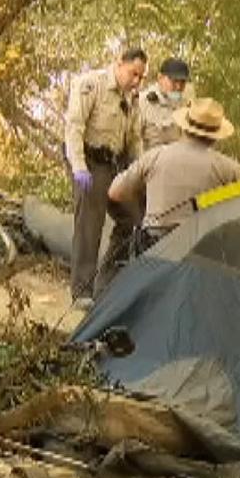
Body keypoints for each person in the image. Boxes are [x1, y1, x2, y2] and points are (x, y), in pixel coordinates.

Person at [107, 97, 240, 264]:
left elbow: (115, 192)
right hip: (203, 255)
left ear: (184, 128)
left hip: (155, 250)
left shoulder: (155, 156)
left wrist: (142, 207)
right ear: (215, 136)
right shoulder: (230, 169)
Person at [64, 47, 147, 308]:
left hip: (117, 165)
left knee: (133, 219)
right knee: (90, 222)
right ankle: (82, 291)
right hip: (90, 161)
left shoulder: (132, 99)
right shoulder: (92, 84)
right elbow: (74, 126)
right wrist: (78, 166)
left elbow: (134, 140)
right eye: (134, 73)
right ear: (119, 63)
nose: (137, 81)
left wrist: (140, 172)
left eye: (141, 77)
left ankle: (106, 283)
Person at [139, 57, 193, 150]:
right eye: (174, 81)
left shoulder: (185, 104)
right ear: (160, 78)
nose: (178, 87)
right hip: (152, 162)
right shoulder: (144, 102)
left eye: (182, 82)